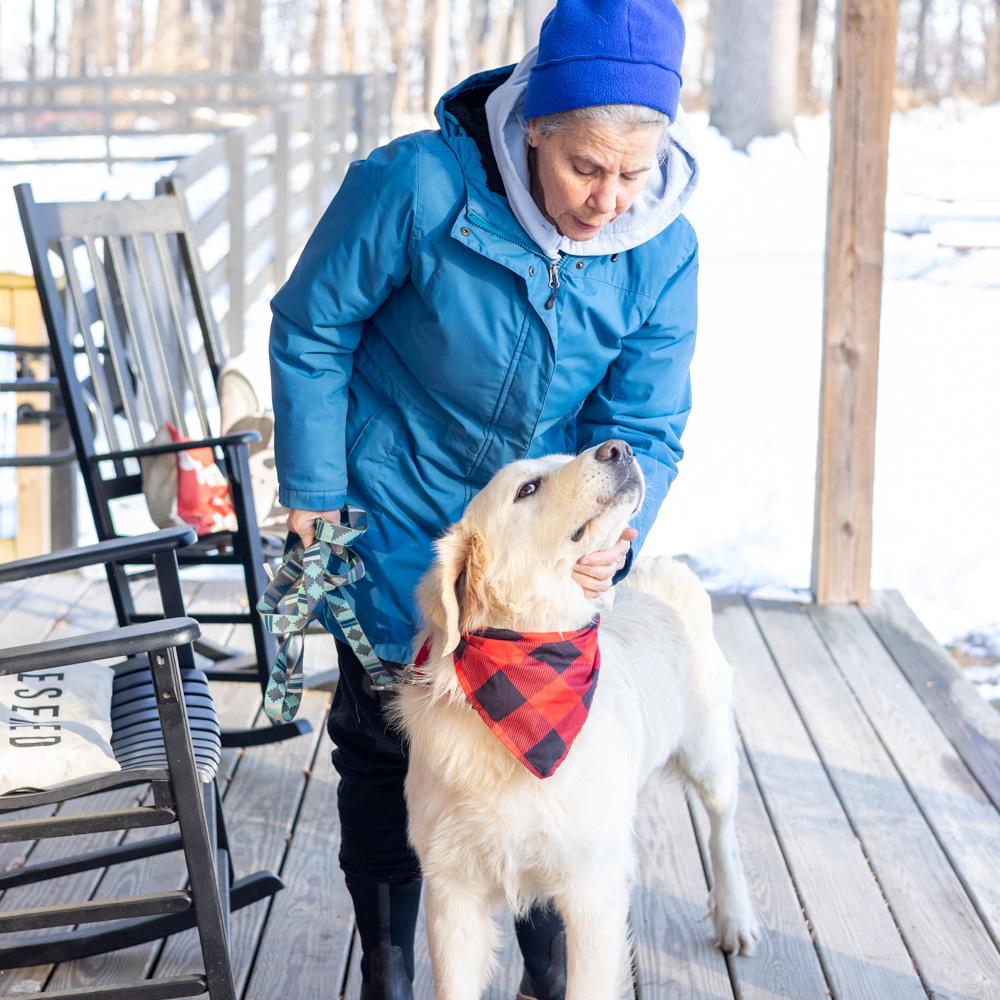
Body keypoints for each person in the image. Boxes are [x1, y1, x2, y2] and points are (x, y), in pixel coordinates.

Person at [268, 1, 698, 996]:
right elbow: (312, 326)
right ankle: (387, 969)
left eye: (633, 173)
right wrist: (316, 488)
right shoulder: (416, 186)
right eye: (586, 167)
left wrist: (613, 536)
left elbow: (642, 422)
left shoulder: (662, 249)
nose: (608, 200)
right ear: (535, 125)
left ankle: (547, 976)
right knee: (385, 745)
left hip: (541, 551)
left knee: (554, 765)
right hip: (396, 512)